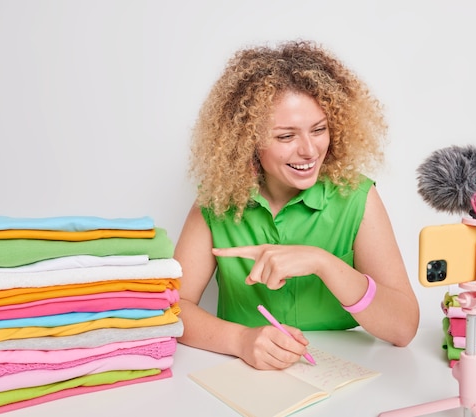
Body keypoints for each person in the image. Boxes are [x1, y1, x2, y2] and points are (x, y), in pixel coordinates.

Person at [174, 40, 419, 370]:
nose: (309, 151)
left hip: (345, 374)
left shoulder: (357, 197)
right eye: (285, 136)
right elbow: (172, 308)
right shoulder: (216, 202)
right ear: (248, 140)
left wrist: (323, 263)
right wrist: (239, 341)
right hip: (241, 374)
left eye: (318, 130)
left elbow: (403, 329)